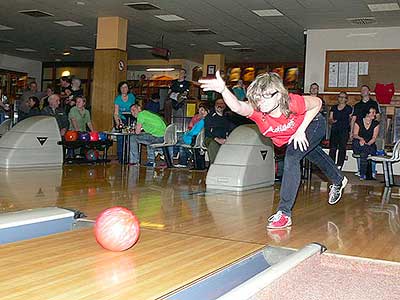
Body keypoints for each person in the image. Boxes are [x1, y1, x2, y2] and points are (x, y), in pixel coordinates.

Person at [199, 71, 347, 229]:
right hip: (294, 134)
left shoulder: (291, 103)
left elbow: (317, 103)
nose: (260, 101)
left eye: (265, 96)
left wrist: (300, 130)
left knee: (292, 157)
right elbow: (237, 106)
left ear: (279, 94)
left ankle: (284, 213)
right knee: (312, 154)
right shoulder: (257, 112)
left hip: (312, 124)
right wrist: (223, 90)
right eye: (257, 97)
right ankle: (339, 180)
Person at [350, 85, 381, 176]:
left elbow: (378, 118)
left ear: (369, 92)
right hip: (359, 131)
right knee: (360, 146)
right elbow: (353, 119)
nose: (363, 91)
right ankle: (361, 170)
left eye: (365, 89)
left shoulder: (374, 104)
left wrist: (372, 125)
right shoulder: (357, 105)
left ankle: (371, 171)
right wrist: (351, 132)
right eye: (362, 90)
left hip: (370, 131)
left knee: (369, 148)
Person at [204, 98, 236, 164]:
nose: (219, 105)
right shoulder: (210, 116)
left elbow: (231, 129)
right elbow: (208, 131)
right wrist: (217, 139)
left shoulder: (228, 117)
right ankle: (214, 165)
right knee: (213, 145)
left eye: (222, 103)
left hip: (224, 139)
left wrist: (228, 138)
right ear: (215, 105)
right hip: (211, 138)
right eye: (217, 103)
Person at [352, 107, 379, 180]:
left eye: (374, 112)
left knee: (364, 152)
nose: (374, 114)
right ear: (367, 114)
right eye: (372, 112)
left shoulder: (376, 124)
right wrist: (361, 139)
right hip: (359, 141)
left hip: (369, 143)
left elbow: (374, 138)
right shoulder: (359, 122)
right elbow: (355, 135)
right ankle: (365, 173)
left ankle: (362, 174)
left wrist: (367, 144)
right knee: (361, 147)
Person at [328, 92, 353, 169]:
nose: (342, 99)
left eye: (344, 97)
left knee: (342, 148)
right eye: (340, 97)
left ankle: (339, 165)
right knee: (333, 148)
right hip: (335, 130)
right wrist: (332, 121)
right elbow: (330, 119)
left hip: (344, 130)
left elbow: (351, 120)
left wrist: (351, 131)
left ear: (346, 99)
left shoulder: (349, 108)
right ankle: (331, 165)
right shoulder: (334, 107)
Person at [114, 81, 136, 163]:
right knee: (121, 138)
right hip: (121, 118)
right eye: (122, 87)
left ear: (128, 89)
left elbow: (134, 109)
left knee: (130, 138)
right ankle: (121, 158)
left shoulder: (131, 97)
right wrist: (118, 123)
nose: (124, 89)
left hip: (130, 119)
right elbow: (116, 113)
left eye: (125, 87)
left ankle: (130, 157)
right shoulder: (118, 99)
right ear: (120, 89)